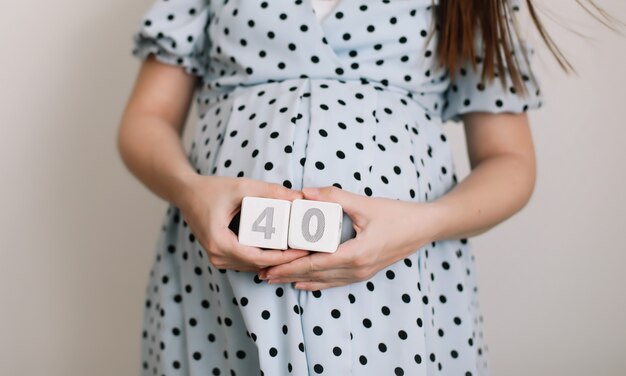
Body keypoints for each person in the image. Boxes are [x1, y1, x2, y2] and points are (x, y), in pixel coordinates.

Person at [117, 0, 555, 374]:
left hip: (400, 285)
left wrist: (422, 224)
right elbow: (146, 119)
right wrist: (190, 190)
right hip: (219, 288)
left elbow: (510, 160)